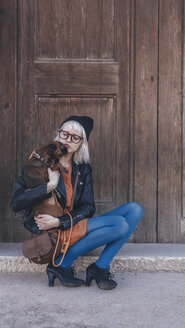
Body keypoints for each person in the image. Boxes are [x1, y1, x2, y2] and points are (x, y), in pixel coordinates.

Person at [10, 115, 143, 290]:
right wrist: (49, 186)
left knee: (134, 209)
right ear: (58, 135)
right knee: (120, 225)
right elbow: (15, 203)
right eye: (64, 134)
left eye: (75, 137)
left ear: (82, 143)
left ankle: (100, 266)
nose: (68, 140)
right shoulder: (39, 164)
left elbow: (88, 207)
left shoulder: (83, 169)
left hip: (69, 223)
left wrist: (61, 221)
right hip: (52, 232)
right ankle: (62, 262)